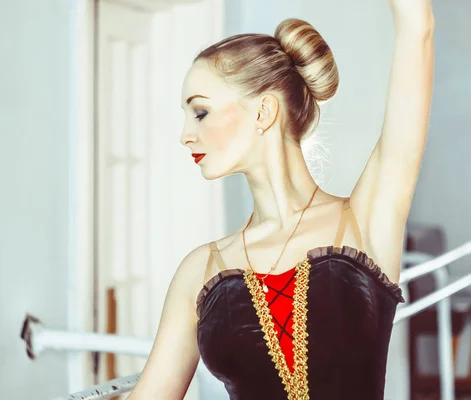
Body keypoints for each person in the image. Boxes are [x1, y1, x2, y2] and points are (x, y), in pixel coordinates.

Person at [128, 1, 434, 399]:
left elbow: (417, 30)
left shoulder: (365, 221)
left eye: (200, 112)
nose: (185, 135)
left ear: (263, 112)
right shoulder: (198, 271)